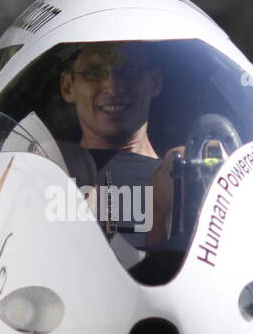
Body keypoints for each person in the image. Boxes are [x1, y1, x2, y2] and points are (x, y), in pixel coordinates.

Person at [58, 41, 181, 246]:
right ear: (68, 87)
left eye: (129, 71)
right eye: (94, 72)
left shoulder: (181, 176)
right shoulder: (49, 171)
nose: (113, 86)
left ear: (155, 81)